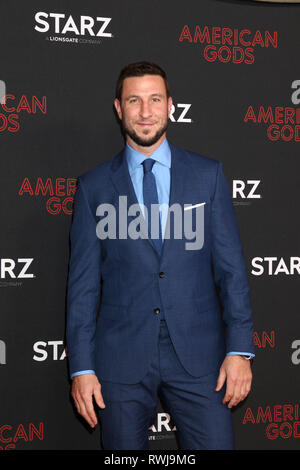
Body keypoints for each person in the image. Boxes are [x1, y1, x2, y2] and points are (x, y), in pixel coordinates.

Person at [66, 61, 255, 450]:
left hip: (200, 356)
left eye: (154, 99)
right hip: (121, 358)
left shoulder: (207, 176)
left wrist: (239, 349)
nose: (146, 112)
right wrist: (82, 368)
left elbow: (232, 271)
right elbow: (83, 287)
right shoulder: (94, 188)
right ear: (119, 108)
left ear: (170, 105)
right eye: (134, 100)